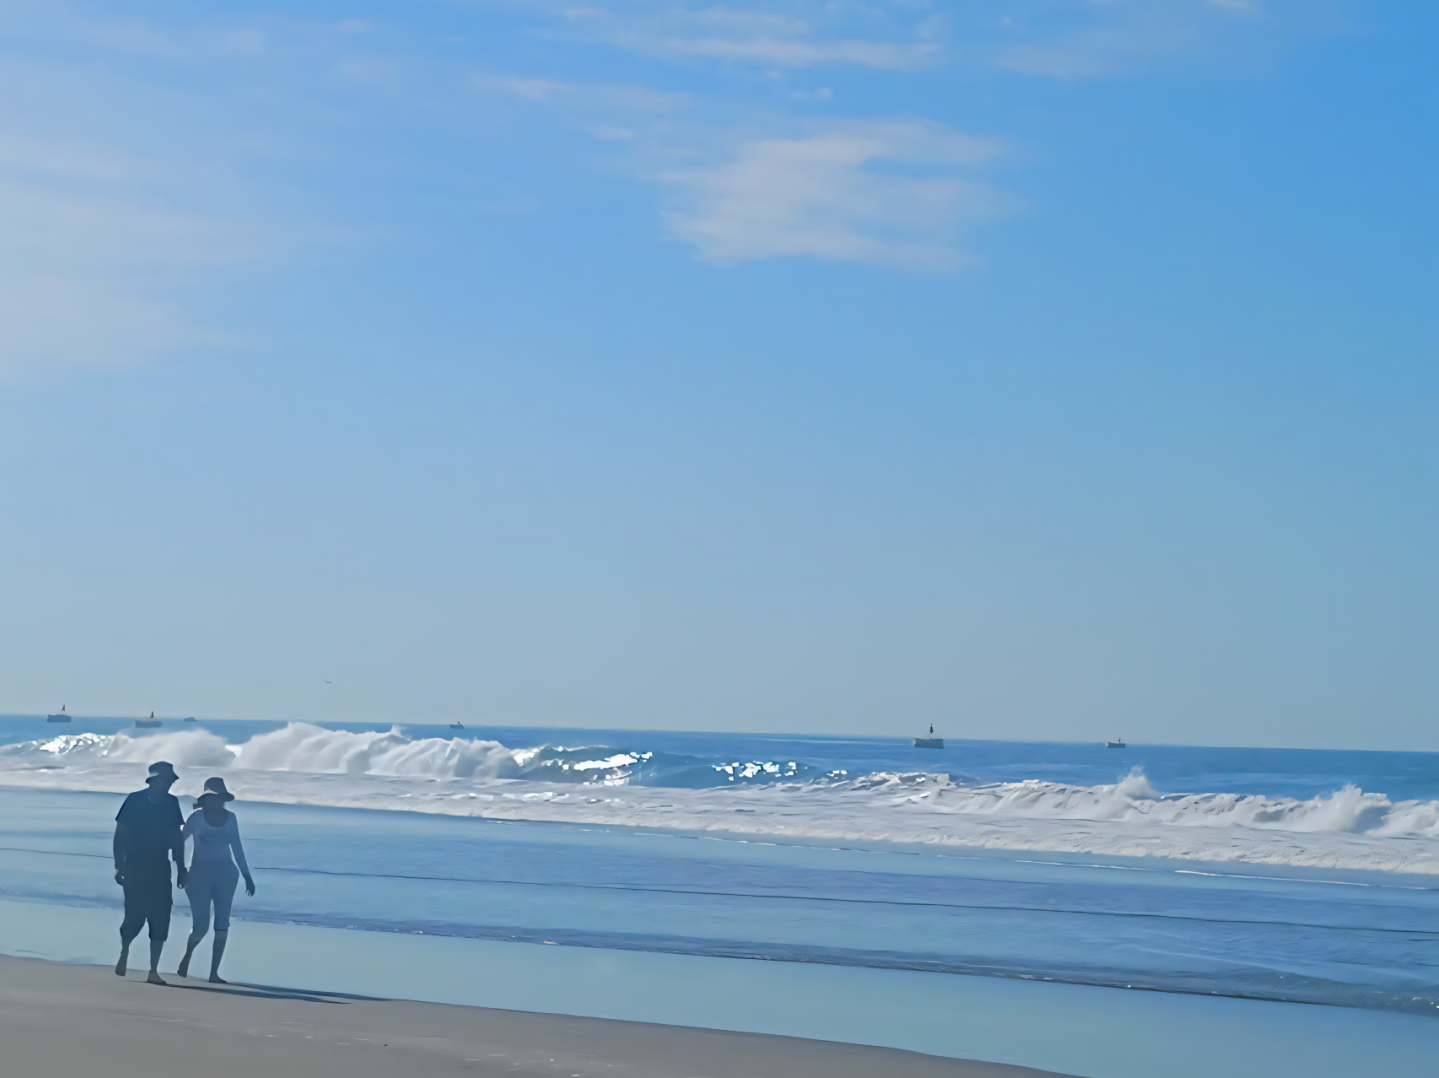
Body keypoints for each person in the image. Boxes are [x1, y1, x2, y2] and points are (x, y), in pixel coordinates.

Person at [114, 761, 187, 984]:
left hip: (160, 868)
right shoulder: (134, 800)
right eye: (166, 780)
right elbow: (120, 834)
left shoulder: (172, 803)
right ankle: (125, 949)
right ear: (154, 781)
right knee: (134, 917)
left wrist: (181, 868)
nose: (169, 784)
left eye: (171, 781)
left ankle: (153, 971)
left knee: (161, 917)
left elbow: (177, 838)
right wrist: (119, 865)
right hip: (135, 866)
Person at [176, 777, 254, 983]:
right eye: (211, 798)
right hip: (199, 876)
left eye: (219, 798)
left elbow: (237, 848)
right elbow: (178, 843)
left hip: (226, 875)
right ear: (204, 799)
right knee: (200, 927)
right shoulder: (196, 817)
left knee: (222, 924)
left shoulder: (231, 818)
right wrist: (181, 870)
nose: (215, 802)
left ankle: (213, 973)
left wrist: (247, 876)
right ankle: (188, 955)